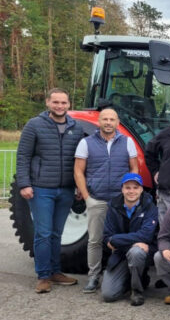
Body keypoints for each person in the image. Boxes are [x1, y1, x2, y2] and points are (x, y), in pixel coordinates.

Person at [16, 88, 84, 293]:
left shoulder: (76, 128)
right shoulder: (34, 125)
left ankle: (56, 272)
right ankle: (43, 276)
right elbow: (23, 156)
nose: (59, 106)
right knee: (43, 233)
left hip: (65, 189)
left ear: (69, 105)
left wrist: (79, 187)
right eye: (56, 102)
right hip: (41, 188)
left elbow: (79, 161)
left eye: (63, 103)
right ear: (48, 103)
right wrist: (24, 184)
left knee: (57, 234)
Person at [74, 108, 139, 293]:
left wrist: (128, 192)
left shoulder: (128, 142)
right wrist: (87, 197)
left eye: (112, 119)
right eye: (105, 119)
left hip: (120, 201)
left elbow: (134, 168)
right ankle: (93, 276)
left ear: (117, 122)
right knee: (95, 240)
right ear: (99, 121)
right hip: (97, 199)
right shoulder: (86, 143)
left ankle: (120, 276)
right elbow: (78, 171)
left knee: (120, 239)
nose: (108, 122)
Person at [101, 173, 158, 306]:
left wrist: (115, 239)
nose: (131, 191)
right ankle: (137, 278)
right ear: (122, 189)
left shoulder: (150, 207)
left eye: (135, 187)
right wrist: (115, 240)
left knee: (136, 252)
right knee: (108, 295)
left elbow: (145, 236)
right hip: (121, 254)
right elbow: (106, 237)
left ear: (141, 189)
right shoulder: (113, 207)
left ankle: (136, 290)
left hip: (144, 252)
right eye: (128, 188)